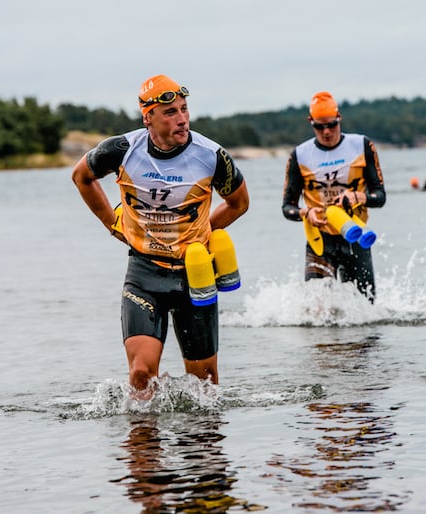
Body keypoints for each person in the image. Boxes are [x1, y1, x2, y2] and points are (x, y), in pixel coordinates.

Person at [71, 74, 250, 392]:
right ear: (148, 117)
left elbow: (239, 203)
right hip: (144, 273)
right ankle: (143, 440)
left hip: (194, 273)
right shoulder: (122, 150)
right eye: (171, 113)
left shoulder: (212, 156)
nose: (182, 120)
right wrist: (111, 225)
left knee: (205, 385)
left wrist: (204, 232)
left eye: (184, 110)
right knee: (141, 375)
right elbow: (82, 176)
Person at [281, 91, 386, 301]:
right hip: (320, 240)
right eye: (319, 126)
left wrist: (359, 197)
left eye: (331, 124)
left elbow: (380, 196)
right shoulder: (300, 155)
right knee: (317, 312)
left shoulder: (362, 146)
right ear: (311, 122)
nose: (326, 131)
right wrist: (305, 212)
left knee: (365, 311)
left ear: (339, 119)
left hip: (355, 236)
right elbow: (287, 207)